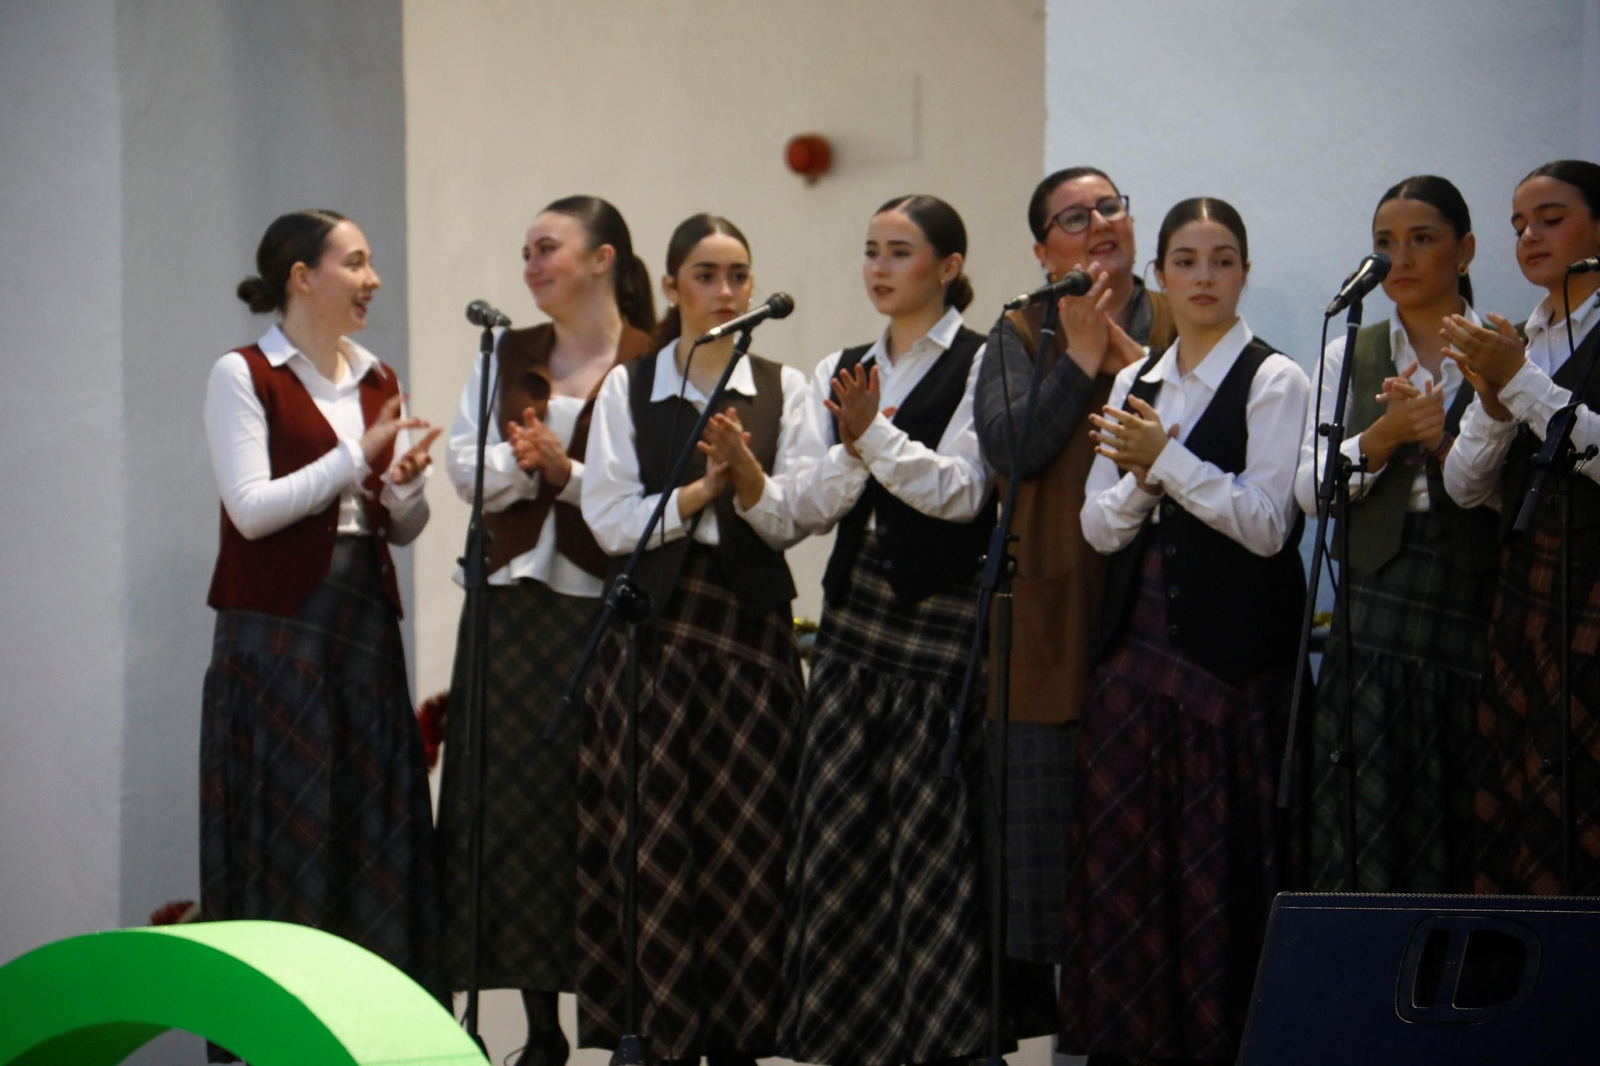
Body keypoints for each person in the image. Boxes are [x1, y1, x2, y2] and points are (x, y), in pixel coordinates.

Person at [705, 194, 1028, 1066]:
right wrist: (747, 477)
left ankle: (946, 1043)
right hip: (854, 628)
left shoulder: (984, 360)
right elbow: (795, 513)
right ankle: (846, 1039)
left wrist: (870, 437)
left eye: (901, 251)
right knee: (839, 840)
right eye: (871, 250)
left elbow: (965, 493)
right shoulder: (840, 366)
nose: (880, 268)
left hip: (938, 627)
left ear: (950, 267)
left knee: (930, 848)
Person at [1069, 197, 1309, 1063]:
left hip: (1231, 672)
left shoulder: (1276, 379)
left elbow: (1269, 523)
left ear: (1244, 271)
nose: (1203, 277)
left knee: (1221, 867)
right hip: (1134, 666)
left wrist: (1165, 462)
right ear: (1161, 276)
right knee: (1131, 870)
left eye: (1221, 259)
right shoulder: (1139, 384)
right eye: (1185, 260)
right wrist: (1142, 477)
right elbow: (1099, 527)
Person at [201, 209, 442, 1059]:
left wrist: (403, 486)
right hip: (273, 642)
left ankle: (370, 1041)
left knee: (368, 837)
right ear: (303, 277)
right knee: (284, 843)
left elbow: (395, 526)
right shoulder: (244, 374)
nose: (373, 279)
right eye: (357, 263)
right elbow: (252, 511)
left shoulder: (378, 378)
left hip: (361, 633)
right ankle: (276, 1041)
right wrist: (356, 458)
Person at [576, 213, 809, 1066]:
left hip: (749, 638)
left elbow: (799, 516)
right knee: (655, 849)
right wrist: (696, 495)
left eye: (738, 275)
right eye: (705, 275)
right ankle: (661, 1036)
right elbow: (606, 521)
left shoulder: (787, 388)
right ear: (671, 286)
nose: (724, 292)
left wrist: (747, 484)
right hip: (653, 642)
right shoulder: (628, 389)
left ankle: (744, 1042)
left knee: (749, 852)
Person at [435, 196, 654, 1066]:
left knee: (593, 809)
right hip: (510, 606)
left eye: (548, 249)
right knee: (509, 808)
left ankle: (621, 1015)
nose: (530, 265)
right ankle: (536, 1031)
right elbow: (463, 465)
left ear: (603, 258)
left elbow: (637, 483)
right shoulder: (507, 350)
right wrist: (532, 471)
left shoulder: (649, 357)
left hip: (604, 610)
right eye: (525, 250)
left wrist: (569, 474)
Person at [971, 167, 1167, 973]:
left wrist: (1127, 361)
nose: (1098, 224)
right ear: (1045, 251)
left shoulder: (1178, 317)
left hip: (1162, 614)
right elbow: (1009, 451)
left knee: (1149, 870)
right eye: (1074, 217)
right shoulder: (1022, 330)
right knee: (1048, 885)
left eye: (1110, 207)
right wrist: (1078, 363)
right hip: (1057, 613)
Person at [1293, 176, 1500, 893]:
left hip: (1472, 607)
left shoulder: (1506, 348)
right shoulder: (1352, 349)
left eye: (1423, 239)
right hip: (1372, 609)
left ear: (1465, 250)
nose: (1400, 259)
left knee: (1463, 811)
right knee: (1367, 821)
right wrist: (1378, 439)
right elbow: (1308, 488)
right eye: (1385, 244)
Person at [1441, 159, 1600, 895]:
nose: (1529, 236)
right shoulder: (1525, 332)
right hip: (1525, 604)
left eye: (1550, 217)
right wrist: (1499, 404)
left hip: (1593, 605)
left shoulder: (1525, 353)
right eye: (1517, 225)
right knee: (1521, 797)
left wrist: (1524, 383)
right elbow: (1464, 485)